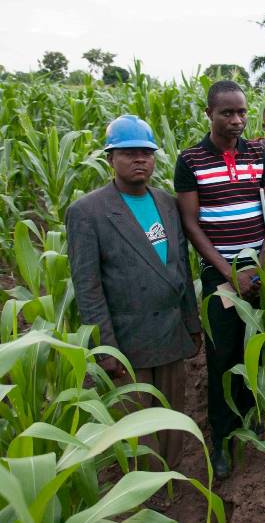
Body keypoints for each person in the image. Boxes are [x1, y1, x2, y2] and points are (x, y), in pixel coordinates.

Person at [66, 115, 202, 496]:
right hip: (128, 342)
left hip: (171, 333)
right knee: (138, 422)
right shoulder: (88, 212)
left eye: (146, 153)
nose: (139, 160)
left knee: (174, 414)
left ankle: (171, 479)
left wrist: (192, 324)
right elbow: (88, 287)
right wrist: (105, 348)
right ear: (110, 159)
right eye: (128, 154)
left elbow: (179, 267)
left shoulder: (167, 203)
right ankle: (146, 494)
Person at [174, 80, 265, 479]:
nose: (236, 120)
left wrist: (262, 263)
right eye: (227, 113)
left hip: (258, 271)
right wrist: (229, 272)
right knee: (221, 357)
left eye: (241, 112)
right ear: (209, 114)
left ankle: (248, 419)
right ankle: (220, 436)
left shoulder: (256, 152)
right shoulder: (191, 160)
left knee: (253, 347)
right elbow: (190, 222)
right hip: (220, 275)